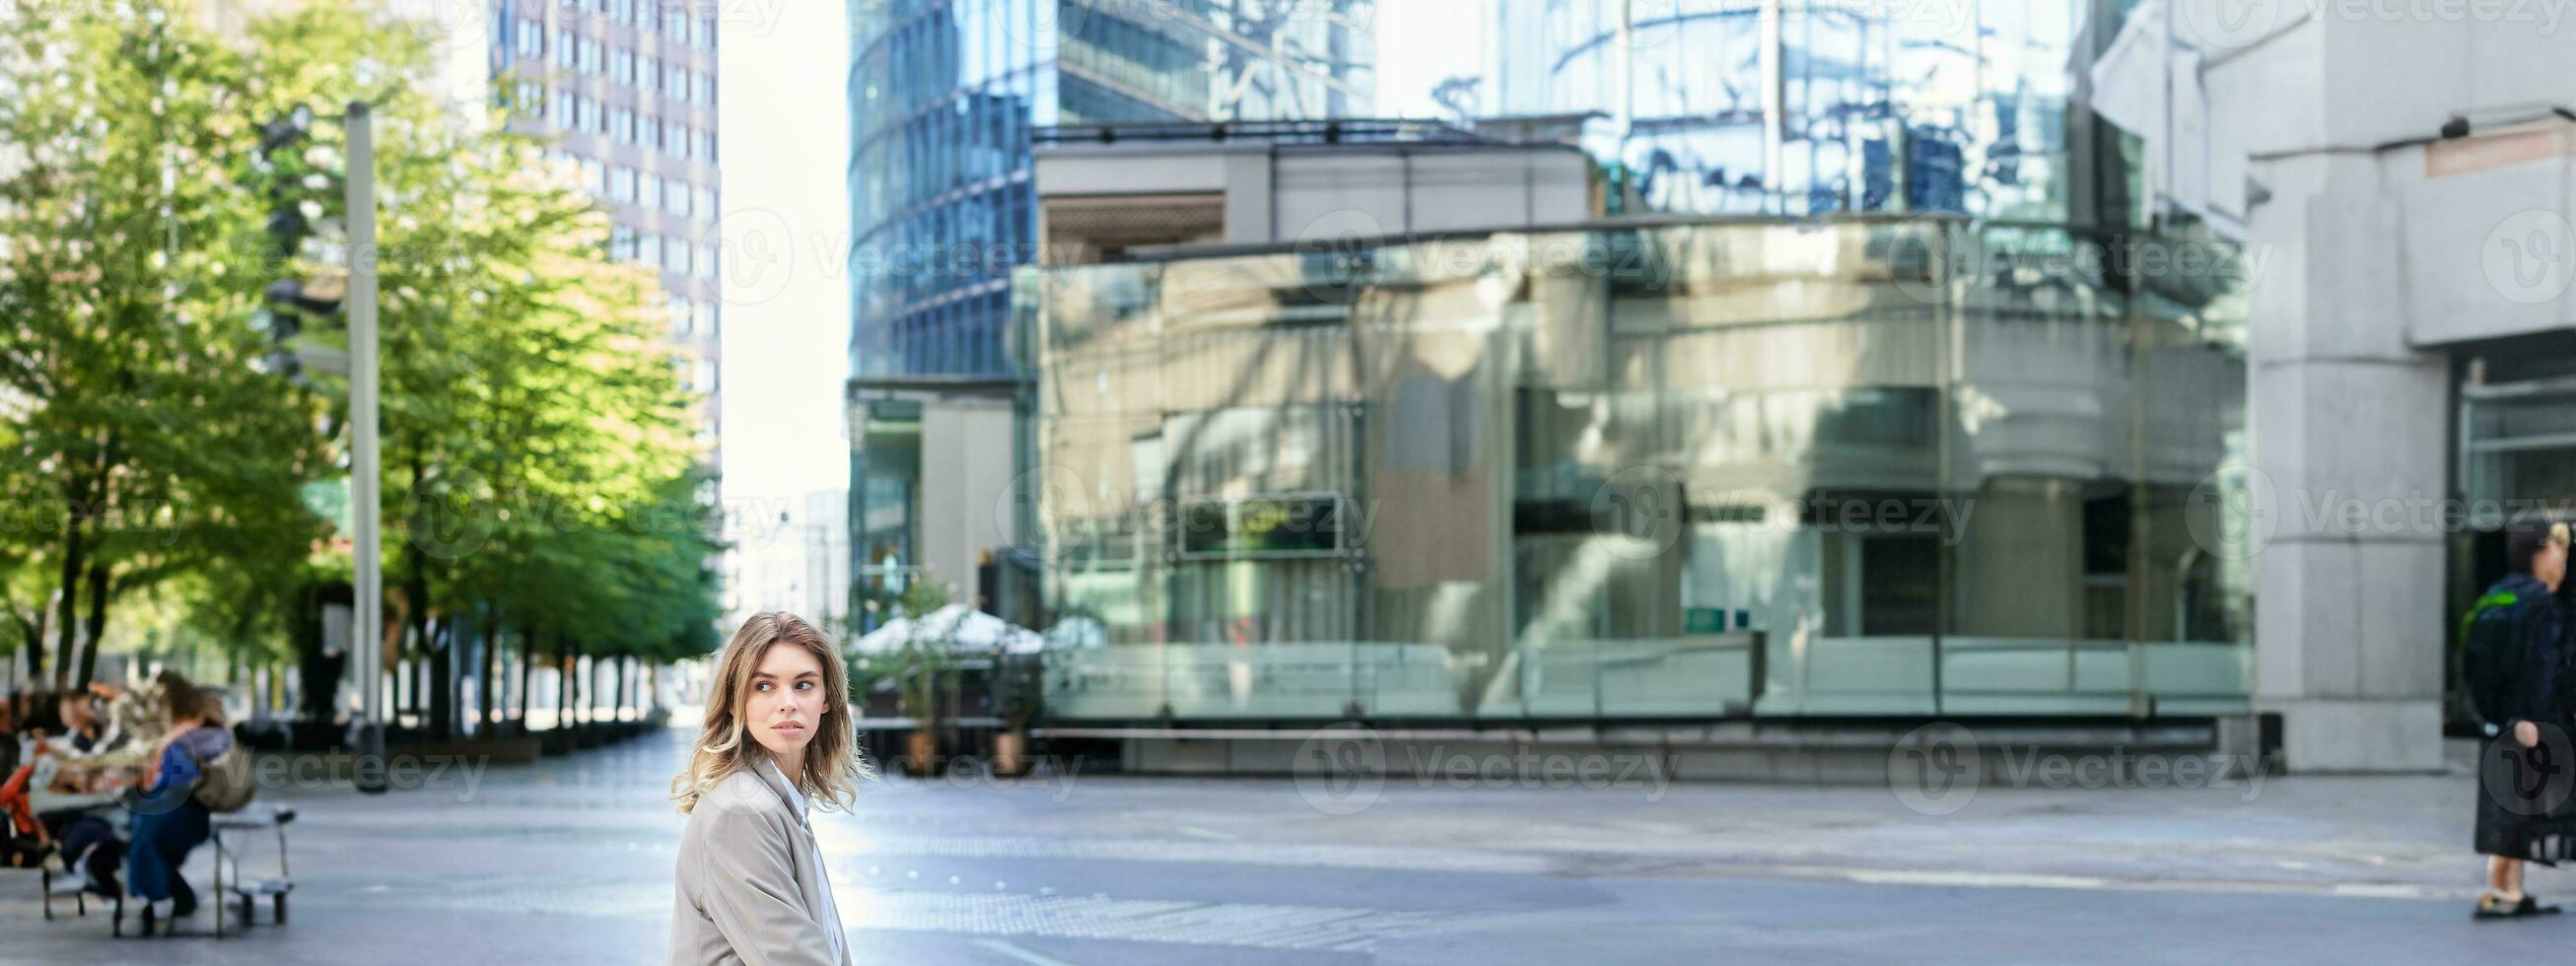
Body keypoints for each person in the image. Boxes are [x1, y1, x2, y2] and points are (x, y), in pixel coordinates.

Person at [667, 612, 870, 966]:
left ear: (827, 698)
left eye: (803, 684)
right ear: (734, 701)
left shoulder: (778, 801)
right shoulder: (741, 811)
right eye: (764, 686)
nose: (787, 702)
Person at [2470, 521, 2576, 919]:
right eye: (2555, 550)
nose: (2562, 557)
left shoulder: (2500, 596)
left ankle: (2509, 888)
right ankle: (2503, 890)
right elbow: (2536, 666)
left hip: (2507, 719)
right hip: (2527, 722)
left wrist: (2500, 715)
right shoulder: (2538, 604)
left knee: (2512, 802)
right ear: (2535, 554)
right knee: (2515, 805)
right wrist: (2523, 716)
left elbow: (2480, 666)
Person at [121, 673, 234, 927]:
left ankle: (158, 898)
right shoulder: (180, 739)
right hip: (173, 808)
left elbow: (183, 780)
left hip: (188, 812)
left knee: (147, 840)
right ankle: (168, 896)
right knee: (143, 837)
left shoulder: (205, 738)